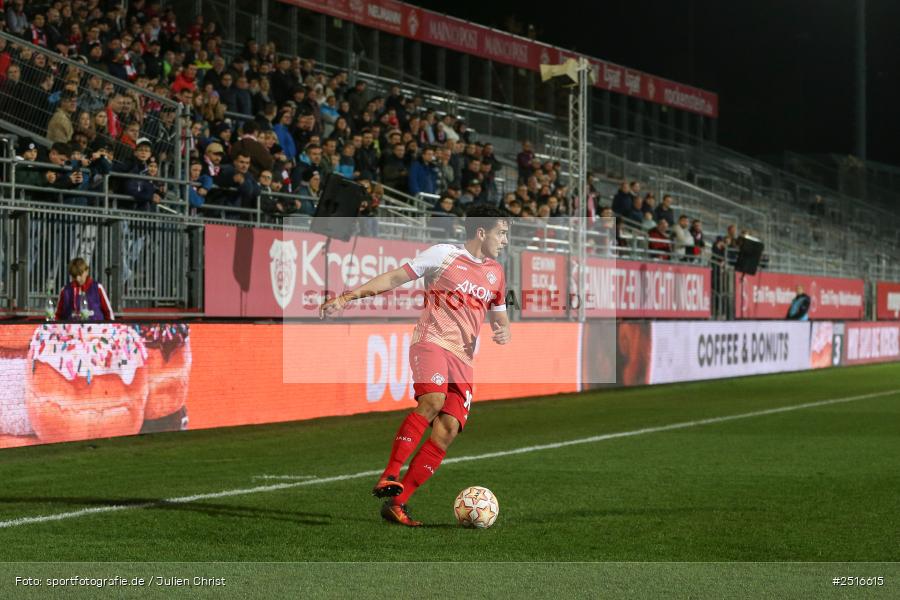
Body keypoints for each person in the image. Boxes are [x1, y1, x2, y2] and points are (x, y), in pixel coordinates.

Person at [319, 205, 511, 527]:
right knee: (432, 402)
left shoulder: (496, 271)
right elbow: (395, 277)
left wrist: (502, 327)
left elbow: (499, 309)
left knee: (448, 429)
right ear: (482, 232)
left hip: (464, 358)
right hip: (432, 343)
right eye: (502, 233)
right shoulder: (443, 255)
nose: (505, 240)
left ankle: (398, 502)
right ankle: (390, 473)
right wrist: (347, 297)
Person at [55, 257, 114, 321]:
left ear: (86, 271)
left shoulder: (98, 288)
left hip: (95, 329)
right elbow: (57, 315)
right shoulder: (65, 291)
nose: (77, 279)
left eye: (80, 274)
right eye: (74, 276)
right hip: (72, 330)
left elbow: (108, 313)